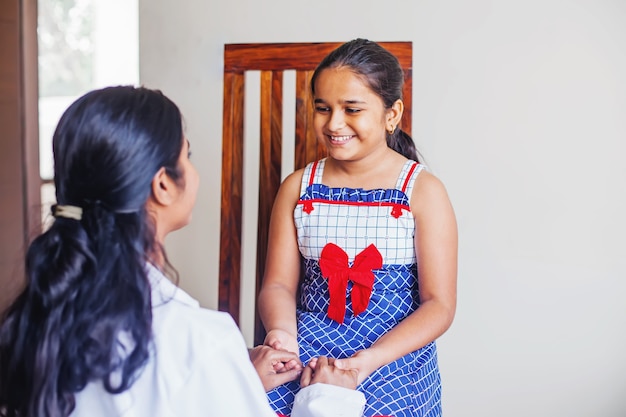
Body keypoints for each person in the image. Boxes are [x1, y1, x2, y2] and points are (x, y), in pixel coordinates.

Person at [0, 85, 366, 417]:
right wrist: (328, 401)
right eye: (187, 156)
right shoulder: (198, 342)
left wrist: (231, 380)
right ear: (162, 184)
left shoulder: (34, 322)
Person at [258, 38, 458, 417]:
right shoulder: (297, 188)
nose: (334, 123)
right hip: (311, 344)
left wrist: (368, 361)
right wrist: (282, 337)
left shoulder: (422, 191)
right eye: (322, 108)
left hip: (392, 353)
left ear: (391, 114)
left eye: (351, 109)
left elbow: (440, 305)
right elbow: (278, 284)